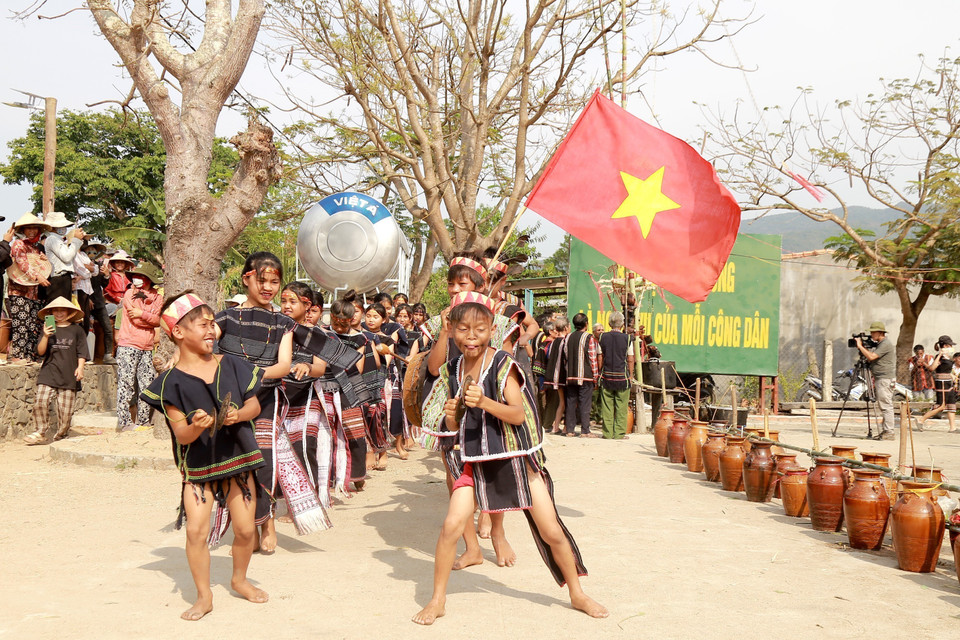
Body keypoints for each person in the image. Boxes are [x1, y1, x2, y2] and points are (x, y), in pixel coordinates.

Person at [413, 293, 607, 625]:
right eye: (463, 330)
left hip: (513, 456)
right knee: (450, 528)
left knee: (552, 531)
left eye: (479, 329)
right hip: (472, 458)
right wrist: (451, 414)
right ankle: (437, 599)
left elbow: (517, 415)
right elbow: (452, 425)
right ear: (453, 331)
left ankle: (577, 593)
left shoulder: (504, 365)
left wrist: (485, 402)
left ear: (491, 331)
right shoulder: (452, 370)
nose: (470, 337)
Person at [140, 291, 268, 621]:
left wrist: (237, 416)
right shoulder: (170, 383)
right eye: (203, 324)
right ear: (178, 333)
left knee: (244, 530)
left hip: (238, 460)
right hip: (198, 468)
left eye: (213, 324)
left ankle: (239, 580)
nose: (212, 330)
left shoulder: (234, 365)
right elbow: (181, 433)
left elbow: (254, 405)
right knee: (196, 531)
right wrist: (196, 426)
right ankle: (204, 596)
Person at [23, 297, 88, 445]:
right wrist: (46, 335)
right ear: (51, 312)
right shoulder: (48, 328)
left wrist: (80, 368)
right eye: (56, 310)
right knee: (40, 401)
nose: (59, 313)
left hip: (69, 374)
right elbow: (40, 352)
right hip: (48, 372)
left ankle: (61, 435)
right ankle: (40, 431)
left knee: (65, 412)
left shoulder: (77, 330)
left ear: (69, 312)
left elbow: (82, 351)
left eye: (62, 310)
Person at [115, 263, 163, 431]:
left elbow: (159, 320)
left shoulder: (159, 298)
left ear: (149, 280)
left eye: (142, 277)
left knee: (147, 384)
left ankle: (143, 421)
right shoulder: (130, 293)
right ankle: (125, 422)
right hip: (128, 344)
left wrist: (143, 314)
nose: (138, 279)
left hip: (148, 347)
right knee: (126, 383)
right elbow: (135, 319)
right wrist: (150, 318)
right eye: (137, 276)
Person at [7, 213, 53, 362]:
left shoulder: (36, 248)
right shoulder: (19, 244)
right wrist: (38, 277)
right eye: (29, 229)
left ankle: (28, 355)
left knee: (31, 324)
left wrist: (44, 261)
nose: (32, 231)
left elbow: (39, 266)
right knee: (21, 323)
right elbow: (22, 262)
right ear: (24, 230)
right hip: (19, 291)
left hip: (34, 292)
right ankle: (17, 355)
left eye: (34, 229)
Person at [854, 321, 896, 440]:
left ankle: (889, 432)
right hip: (881, 377)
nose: (871, 334)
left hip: (884, 378)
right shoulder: (880, 344)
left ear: (880, 332)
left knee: (886, 405)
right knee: (884, 404)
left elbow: (872, 357)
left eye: (873, 332)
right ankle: (886, 430)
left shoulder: (885, 344)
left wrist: (860, 346)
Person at [564, 313, 600, 438]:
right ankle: (585, 431)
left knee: (571, 402)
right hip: (585, 375)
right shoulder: (589, 338)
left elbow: (566, 356)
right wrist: (595, 376)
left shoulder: (567, 337)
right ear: (586, 324)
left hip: (571, 375)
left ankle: (569, 430)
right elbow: (592, 359)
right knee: (585, 403)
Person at [598, 312, 632, 440]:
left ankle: (607, 433)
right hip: (622, 378)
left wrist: (600, 372)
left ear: (609, 324)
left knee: (607, 406)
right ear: (622, 324)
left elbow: (600, 356)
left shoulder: (602, 337)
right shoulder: (627, 338)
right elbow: (630, 358)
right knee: (621, 406)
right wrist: (631, 375)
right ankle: (619, 434)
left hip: (606, 376)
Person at [916, 335, 957, 433]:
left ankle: (953, 427)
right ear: (945, 346)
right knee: (941, 406)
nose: (951, 347)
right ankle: (921, 419)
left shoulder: (948, 356)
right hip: (942, 382)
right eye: (949, 345)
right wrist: (939, 355)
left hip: (948, 382)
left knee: (951, 404)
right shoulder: (940, 357)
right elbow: (932, 368)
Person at [42, 212, 85, 302]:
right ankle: (50, 317)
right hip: (57, 279)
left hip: (64, 278)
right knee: (55, 308)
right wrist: (76, 240)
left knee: (64, 308)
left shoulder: (58, 240)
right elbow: (66, 257)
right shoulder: (52, 239)